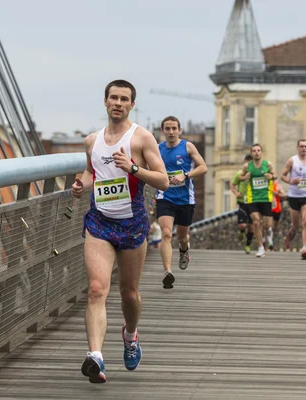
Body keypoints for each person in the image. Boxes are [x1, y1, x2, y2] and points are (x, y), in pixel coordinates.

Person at [71, 79, 169, 383]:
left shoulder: (141, 138)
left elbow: (164, 180)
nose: (118, 103)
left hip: (132, 223)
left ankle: (130, 334)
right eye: (113, 97)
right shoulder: (92, 140)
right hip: (99, 222)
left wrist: (133, 169)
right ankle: (96, 358)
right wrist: (80, 185)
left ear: (131, 104)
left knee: (129, 293)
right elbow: (92, 171)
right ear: (105, 102)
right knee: (97, 289)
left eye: (124, 99)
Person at [156, 116, 207, 289]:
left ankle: (184, 250)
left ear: (179, 130)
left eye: (174, 128)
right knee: (166, 233)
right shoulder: (157, 149)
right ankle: (168, 272)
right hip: (165, 197)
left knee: (182, 236)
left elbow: (203, 167)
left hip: (186, 199)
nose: (171, 132)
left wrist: (185, 175)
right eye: (167, 129)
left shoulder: (187, 146)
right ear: (162, 131)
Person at [281, 139, 306, 260]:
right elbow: (282, 176)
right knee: (296, 226)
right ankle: (289, 235)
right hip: (294, 195)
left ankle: (304, 248)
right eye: (301, 146)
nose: (303, 149)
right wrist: (290, 181)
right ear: (297, 148)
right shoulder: (292, 161)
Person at [238, 144, 277, 258]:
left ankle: (268, 233)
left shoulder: (267, 164)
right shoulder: (247, 166)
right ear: (251, 153)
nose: (256, 152)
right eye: (254, 151)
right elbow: (240, 177)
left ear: (261, 152)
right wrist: (245, 178)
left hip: (266, 197)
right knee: (255, 221)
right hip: (252, 197)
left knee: (266, 224)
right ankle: (260, 247)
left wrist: (271, 176)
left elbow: (275, 175)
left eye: (258, 150)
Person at [230, 154, 254, 254]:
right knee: (243, 225)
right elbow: (232, 185)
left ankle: (248, 245)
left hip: (253, 202)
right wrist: (236, 193)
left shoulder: (255, 174)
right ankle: (241, 232)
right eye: (246, 163)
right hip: (242, 203)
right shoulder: (240, 173)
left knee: (252, 226)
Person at [269, 180, 286, 250]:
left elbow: (284, 196)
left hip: (276, 209)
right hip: (267, 208)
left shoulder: (278, 186)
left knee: (274, 228)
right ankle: (269, 243)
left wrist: (277, 194)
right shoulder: (265, 185)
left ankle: (273, 242)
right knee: (269, 226)